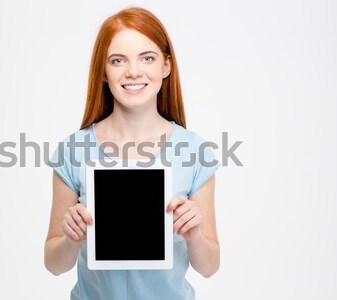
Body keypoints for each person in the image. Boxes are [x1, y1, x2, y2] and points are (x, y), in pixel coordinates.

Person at [44, 6, 221, 300]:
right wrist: (71, 239)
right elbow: (53, 264)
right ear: (103, 70)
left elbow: (210, 266)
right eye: (118, 60)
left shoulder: (196, 151)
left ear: (166, 66)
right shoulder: (72, 151)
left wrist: (194, 236)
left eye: (147, 58)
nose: (134, 72)